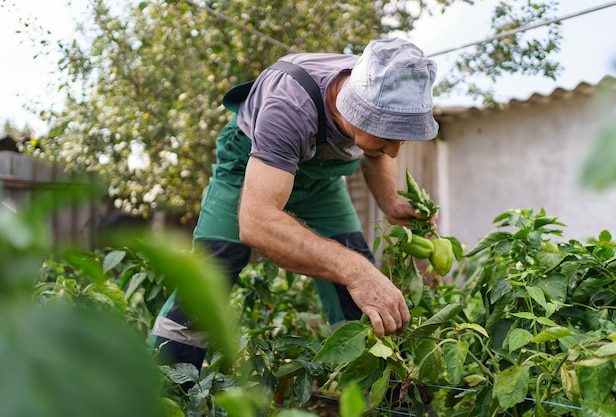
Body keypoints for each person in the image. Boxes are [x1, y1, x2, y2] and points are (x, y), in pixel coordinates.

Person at [150, 37, 439, 370]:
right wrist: (356, 271)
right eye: (389, 135)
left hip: (320, 180)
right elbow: (257, 222)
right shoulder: (289, 104)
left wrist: (390, 202)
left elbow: (373, 150)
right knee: (213, 270)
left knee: (358, 277)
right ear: (355, 110)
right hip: (248, 170)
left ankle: (377, 397)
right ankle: (166, 387)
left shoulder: (378, 82)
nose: (394, 151)